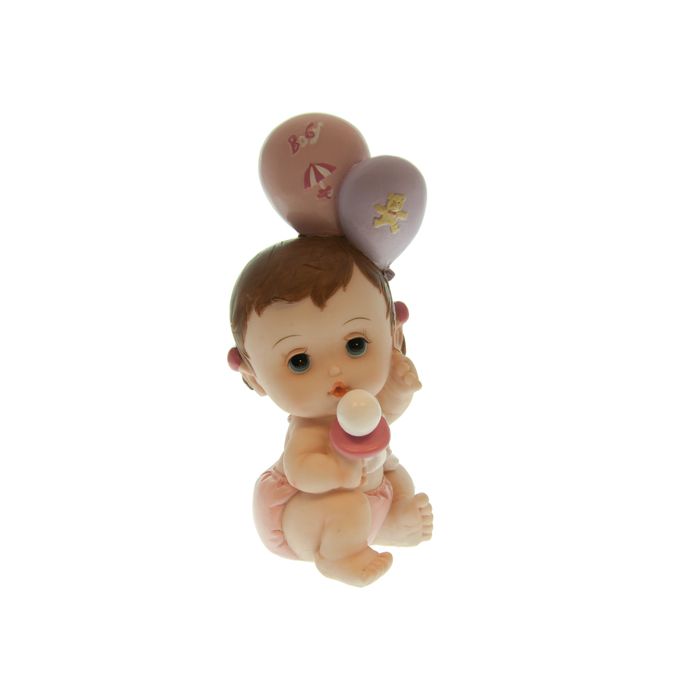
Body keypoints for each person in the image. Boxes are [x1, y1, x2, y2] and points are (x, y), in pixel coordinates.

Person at [228, 235, 432, 586]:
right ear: (254, 377)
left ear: (394, 337)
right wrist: (340, 473)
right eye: (300, 361)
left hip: (364, 496)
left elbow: (385, 417)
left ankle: (391, 523)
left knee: (397, 475)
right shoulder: (308, 431)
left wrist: (400, 388)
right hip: (302, 513)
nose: (335, 371)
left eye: (356, 345)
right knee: (345, 506)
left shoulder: (363, 403)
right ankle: (339, 556)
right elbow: (302, 471)